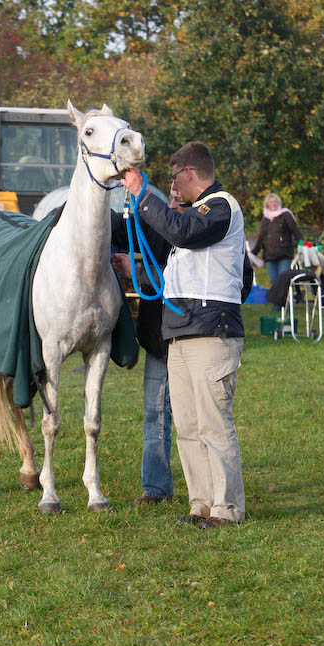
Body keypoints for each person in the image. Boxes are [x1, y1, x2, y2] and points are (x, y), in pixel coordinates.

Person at [120, 142, 248, 529]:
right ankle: (201, 505)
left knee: (213, 423)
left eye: (174, 178)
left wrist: (143, 194)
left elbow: (184, 230)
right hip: (180, 334)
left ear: (189, 172)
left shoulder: (220, 206)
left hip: (212, 331)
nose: (172, 187)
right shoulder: (190, 219)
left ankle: (227, 509)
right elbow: (169, 259)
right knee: (189, 427)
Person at [110, 191, 182, 505]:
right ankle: (156, 488)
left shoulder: (203, 225)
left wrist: (134, 272)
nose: (176, 198)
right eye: (172, 193)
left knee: (199, 418)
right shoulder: (155, 224)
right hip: (159, 338)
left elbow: (179, 281)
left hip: (194, 338)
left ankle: (210, 489)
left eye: (181, 193)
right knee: (155, 414)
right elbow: (119, 229)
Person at [251, 192, 302, 286]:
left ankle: (287, 299)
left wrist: (302, 243)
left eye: (275, 201)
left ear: (279, 203)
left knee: (283, 278)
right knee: (274, 281)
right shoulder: (265, 219)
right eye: (271, 202)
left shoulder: (286, 214)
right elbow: (261, 238)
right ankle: (279, 300)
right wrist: (253, 253)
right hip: (269, 255)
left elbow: (295, 230)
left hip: (284, 254)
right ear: (267, 204)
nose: (273, 203)